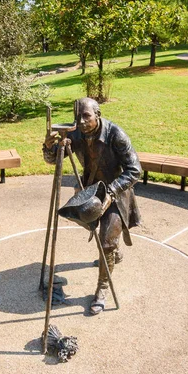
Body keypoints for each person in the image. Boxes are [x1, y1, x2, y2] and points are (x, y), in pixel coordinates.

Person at [42, 97, 142, 315]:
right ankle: (114, 253)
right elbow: (52, 161)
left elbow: (135, 170)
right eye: (78, 117)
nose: (82, 121)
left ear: (97, 114)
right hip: (91, 191)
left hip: (117, 192)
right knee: (83, 219)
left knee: (106, 241)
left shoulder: (116, 135)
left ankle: (102, 289)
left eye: (86, 116)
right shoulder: (75, 133)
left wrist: (113, 191)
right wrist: (50, 147)